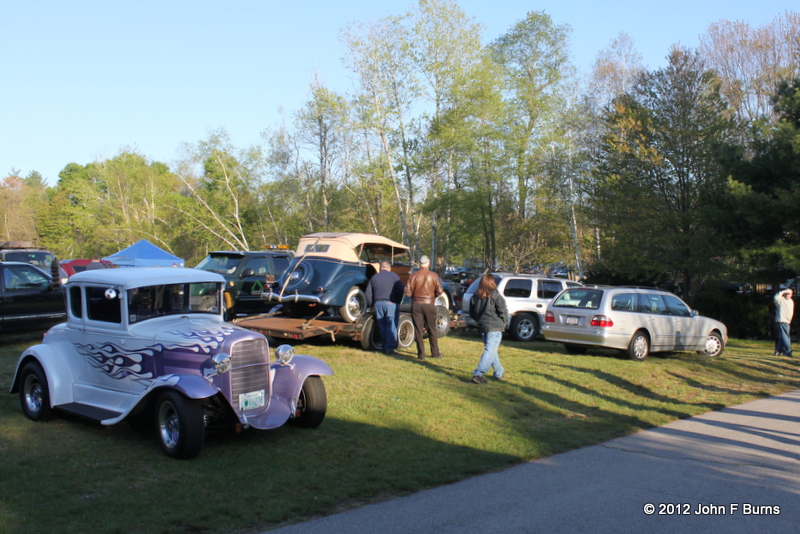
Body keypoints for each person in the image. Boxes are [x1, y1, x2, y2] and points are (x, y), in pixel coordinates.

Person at [469, 273, 508, 384]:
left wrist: (479, 321)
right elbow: (503, 310)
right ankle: (478, 374)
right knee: (489, 350)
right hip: (495, 327)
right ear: (492, 282)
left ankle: (499, 372)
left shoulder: (475, 296)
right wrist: (504, 321)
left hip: (483, 326)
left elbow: (472, 313)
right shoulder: (495, 295)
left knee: (491, 350)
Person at [404, 255, 443, 360]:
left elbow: (407, 292)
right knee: (432, 328)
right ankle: (435, 352)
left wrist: (415, 297)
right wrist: (432, 296)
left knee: (418, 329)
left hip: (416, 304)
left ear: (419, 264)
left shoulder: (413, 276)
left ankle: (421, 354)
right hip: (429, 304)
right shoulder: (434, 276)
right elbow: (440, 291)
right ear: (428, 264)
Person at [365, 261, 404, 355]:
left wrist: (371, 304)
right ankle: (389, 348)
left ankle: (383, 346)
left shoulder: (374, 277)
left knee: (382, 325)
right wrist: (397, 301)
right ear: (389, 268)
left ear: (380, 268)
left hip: (378, 303)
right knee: (391, 326)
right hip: (391, 303)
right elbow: (401, 289)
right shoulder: (394, 276)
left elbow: (368, 293)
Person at [774, 288, 794, 357]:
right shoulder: (780, 300)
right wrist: (783, 291)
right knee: (785, 336)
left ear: (791, 295)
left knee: (784, 336)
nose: (787, 295)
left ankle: (778, 351)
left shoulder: (791, 301)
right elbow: (776, 298)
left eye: (789, 293)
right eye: (786, 293)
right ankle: (787, 351)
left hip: (787, 321)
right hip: (781, 320)